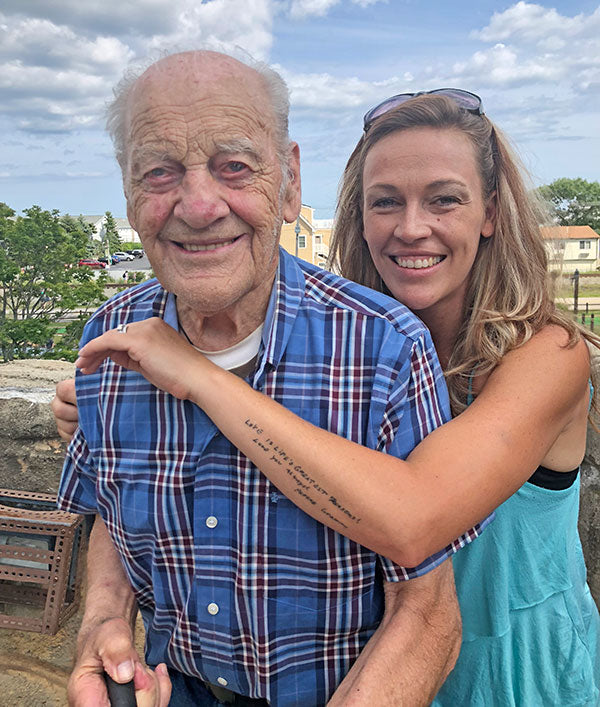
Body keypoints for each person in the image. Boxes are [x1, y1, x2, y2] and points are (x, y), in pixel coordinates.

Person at [55, 86, 600, 704]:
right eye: (385, 203)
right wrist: (111, 416)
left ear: (492, 212)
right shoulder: (353, 345)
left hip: (505, 664)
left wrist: (202, 379)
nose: (411, 227)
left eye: (445, 200)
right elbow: (126, 509)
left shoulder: (547, 356)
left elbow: (415, 519)